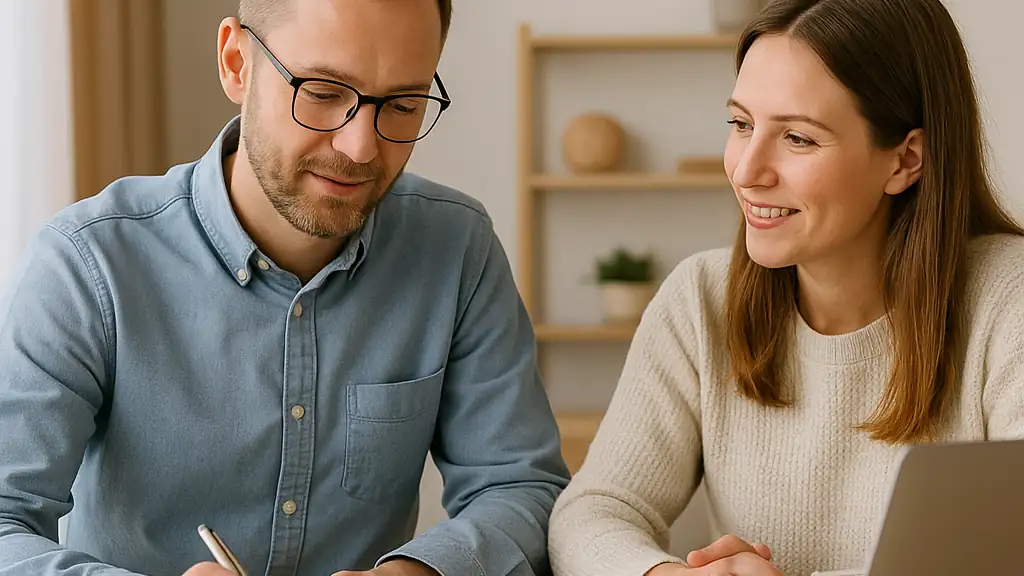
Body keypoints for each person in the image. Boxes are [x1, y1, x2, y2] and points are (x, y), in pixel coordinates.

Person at [0, 0, 571, 574]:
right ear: (235, 62)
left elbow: (521, 488)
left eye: (402, 104)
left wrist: (420, 571)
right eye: (322, 93)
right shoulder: (86, 263)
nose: (360, 148)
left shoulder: (457, 249)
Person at [547, 0, 1024, 574]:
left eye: (798, 138)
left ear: (905, 159)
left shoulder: (1009, 298)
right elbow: (593, 511)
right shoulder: (700, 300)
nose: (748, 170)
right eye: (742, 125)